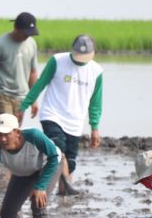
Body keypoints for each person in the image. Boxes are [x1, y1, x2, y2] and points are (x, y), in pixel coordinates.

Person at [19, 34, 103, 196]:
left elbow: (96, 102)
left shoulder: (96, 71)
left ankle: (62, 190)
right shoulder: (57, 61)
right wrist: (24, 106)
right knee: (58, 147)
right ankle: (62, 188)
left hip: (75, 122)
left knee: (69, 163)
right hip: (52, 114)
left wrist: (95, 126)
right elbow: (39, 84)